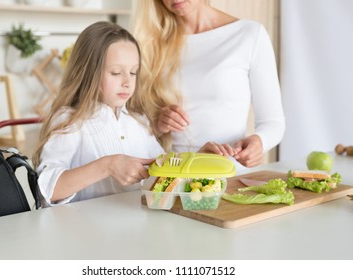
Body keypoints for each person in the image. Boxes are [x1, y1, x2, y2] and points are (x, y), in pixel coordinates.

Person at [131, 0, 285, 168]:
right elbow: (127, 127)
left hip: (229, 175)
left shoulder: (249, 35)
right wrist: (157, 124)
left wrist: (259, 142)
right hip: (173, 176)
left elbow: (273, 122)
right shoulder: (149, 43)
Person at [32, 21, 164, 206]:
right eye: (116, 72)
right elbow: (48, 190)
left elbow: (163, 169)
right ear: (89, 73)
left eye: (133, 72)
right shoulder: (71, 120)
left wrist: (198, 160)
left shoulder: (138, 120)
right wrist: (107, 165)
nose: (127, 82)